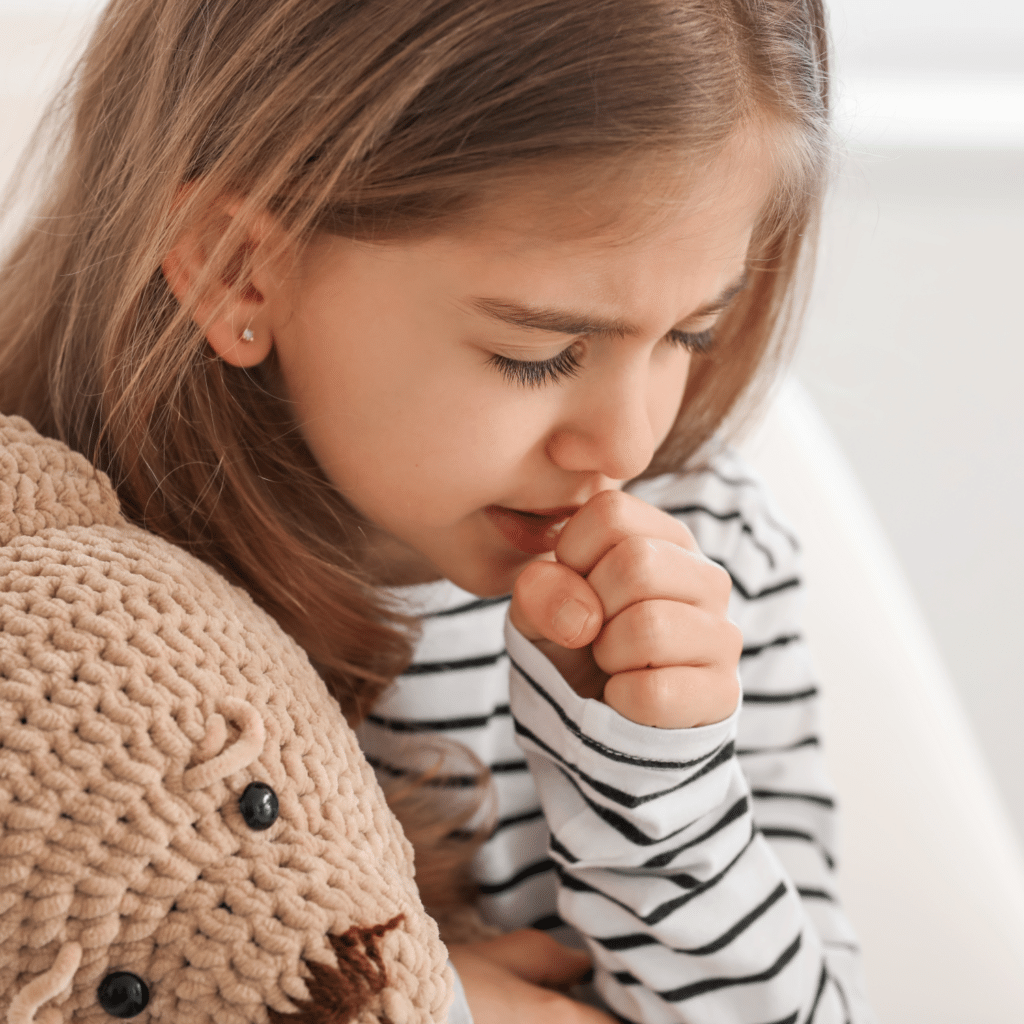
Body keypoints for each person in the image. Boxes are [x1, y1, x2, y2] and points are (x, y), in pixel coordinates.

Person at [0, 0, 876, 1021]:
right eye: (538, 352)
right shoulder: (52, 616)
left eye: (689, 333)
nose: (626, 444)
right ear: (238, 267)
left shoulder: (708, 549)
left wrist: (662, 795)